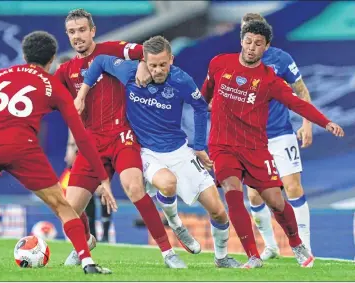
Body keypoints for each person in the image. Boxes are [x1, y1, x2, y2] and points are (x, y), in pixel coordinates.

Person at [0, 31, 115, 275]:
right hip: (21, 148)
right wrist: (102, 176)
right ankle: (87, 262)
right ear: (52, 59)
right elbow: (82, 136)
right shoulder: (54, 86)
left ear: (25, 55)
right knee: (62, 206)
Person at [75, 35, 242, 268]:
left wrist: (199, 146)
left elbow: (200, 107)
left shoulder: (181, 80)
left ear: (171, 60)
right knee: (167, 183)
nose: (157, 70)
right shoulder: (130, 72)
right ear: (143, 61)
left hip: (179, 150)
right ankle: (176, 224)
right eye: (152, 65)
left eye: (163, 64)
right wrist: (81, 95)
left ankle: (222, 258)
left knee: (218, 212)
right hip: (146, 151)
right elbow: (101, 60)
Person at [202, 20, 345, 268]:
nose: (251, 48)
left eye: (258, 44)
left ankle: (298, 245)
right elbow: (205, 93)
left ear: (266, 47)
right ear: (241, 41)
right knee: (233, 194)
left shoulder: (270, 80)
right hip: (223, 145)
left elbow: (298, 103)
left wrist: (325, 122)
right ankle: (253, 256)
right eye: (248, 42)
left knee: (277, 202)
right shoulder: (219, 63)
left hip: (256, 147)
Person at [55, 9, 185, 268]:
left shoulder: (112, 49)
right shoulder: (65, 70)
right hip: (90, 143)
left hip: (121, 135)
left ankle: (168, 252)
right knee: (68, 209)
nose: (78, 36)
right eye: (72, 32)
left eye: (82, 30)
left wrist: (140, 64)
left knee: (134, 188)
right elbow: (54, 100)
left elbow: (145, 51)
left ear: (93, 30)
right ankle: (87, 240)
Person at [241, 13, 314, 259]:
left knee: (292, 188)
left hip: (281, 134)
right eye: (245, 35)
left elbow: (301, 90)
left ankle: (305, 247)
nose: (249, 42)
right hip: (251, 141)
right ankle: (271, 246)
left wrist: (307, 123)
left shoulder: (281, 59)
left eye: (255, 35)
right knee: (254, 194)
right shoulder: (233, 64)